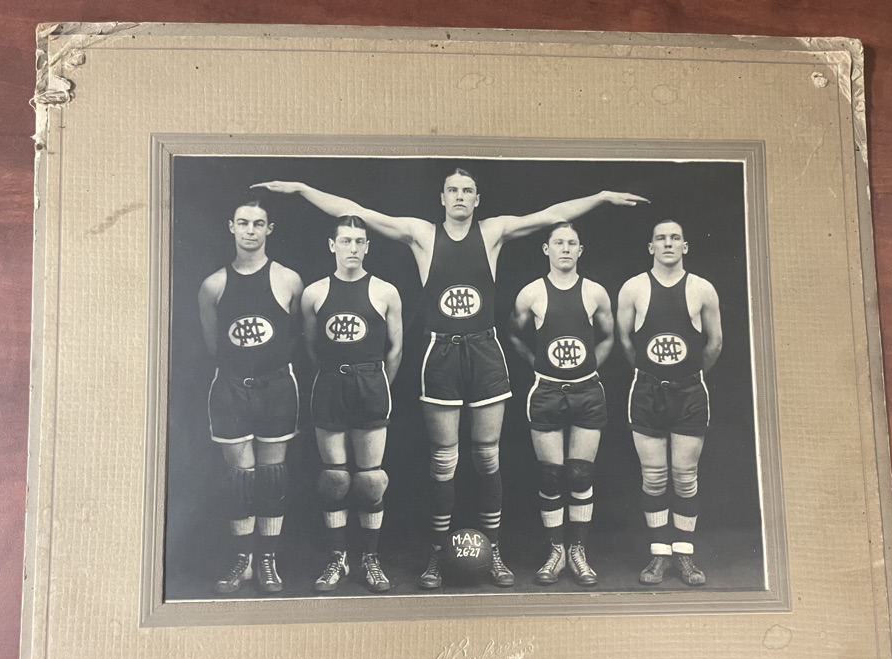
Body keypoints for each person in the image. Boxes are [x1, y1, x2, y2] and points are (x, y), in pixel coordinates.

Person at [254, 170, 646, 589]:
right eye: (453, 191)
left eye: (467, 191)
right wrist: (301, 189)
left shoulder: (492, 232)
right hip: (439, 353)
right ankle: (438, 554)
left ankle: (492, 550)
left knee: (487, 456)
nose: (460, 197)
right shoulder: (422, 235)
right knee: (444, 459)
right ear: (442, 198)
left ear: (478, 199)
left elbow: (551, 214)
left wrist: (602, 195)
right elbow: (357, 212)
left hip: (484, 351)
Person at [198, 193, 303, 594]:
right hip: (230, 388)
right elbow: (213, 345)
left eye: (258, 223)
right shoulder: (213, 285)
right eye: (243, 222)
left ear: (269, 229)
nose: (250, 231)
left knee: (272, 476)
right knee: (239, 478)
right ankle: (241, 560)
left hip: (277, 387)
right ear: (232, 227)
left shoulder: (289, 280)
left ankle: (267, 561)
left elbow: (295, 334)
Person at [615, 220, 723, 586]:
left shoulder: (702, 288)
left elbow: (714, 344)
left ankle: (685, 555)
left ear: (685, 246)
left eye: (675, 237)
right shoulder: (633, 288)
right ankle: (659, 555)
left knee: (685, 477)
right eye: (660, 237)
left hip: (690, 392)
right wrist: (654, 375)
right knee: (655, 477)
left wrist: (685, 376)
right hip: (646, 392)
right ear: (651, 247)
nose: (668, 243)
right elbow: (626, 343)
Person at [300, 215, 403, 593]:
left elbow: (396, 349)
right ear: (333, 245)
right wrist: (334, 376)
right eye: (346, 241)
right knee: (334, 478)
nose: (353, 249)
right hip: (328, 383)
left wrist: (375, 384)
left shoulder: (385, 291)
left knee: (371, 479)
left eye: (360, 242)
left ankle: (369, 558)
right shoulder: (314, 293)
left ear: (368, 247)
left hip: (371, 383)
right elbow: (311, 347)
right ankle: (338, 558)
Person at [508, 222, 614, 587]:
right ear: (546, 250)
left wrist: (586, 370)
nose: (565, 249)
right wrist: (539, 366)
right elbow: (513, 334)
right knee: (551, 476)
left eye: (572, 243)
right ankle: (555, 551)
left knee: (581, 473)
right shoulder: (531, 294)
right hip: (547, 391)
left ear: (580, 250)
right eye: (559, 243)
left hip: (587, 391)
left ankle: (577, 552)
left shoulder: (596, 292)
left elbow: (608, 335)